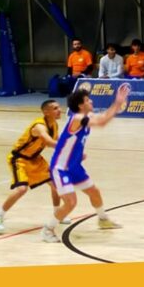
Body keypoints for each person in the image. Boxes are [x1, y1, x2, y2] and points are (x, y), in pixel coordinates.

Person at [41, 85, 129, 243]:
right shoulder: (77, 118)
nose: (91, 101)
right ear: (81, 105)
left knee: (94, 192)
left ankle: (103, 220)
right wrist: (117, 102)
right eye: (88, 100)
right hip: (61, 168)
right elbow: (102, 122)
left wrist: (78, 154)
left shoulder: (86, 117)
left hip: (74, 166)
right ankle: (48, 229)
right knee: (71, 202)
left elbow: (102, 117)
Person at [0, 100, 65, 233]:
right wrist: (70, 148)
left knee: (56, 184)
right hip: (20, 159)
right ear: (46, 112)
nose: (59, 110)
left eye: (59, 107)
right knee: (22, 189)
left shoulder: (54, 124)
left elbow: (54, 142)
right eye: (55, 108)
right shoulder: (39, 126)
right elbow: (49, 141)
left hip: (35, 159)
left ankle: (57, 214)